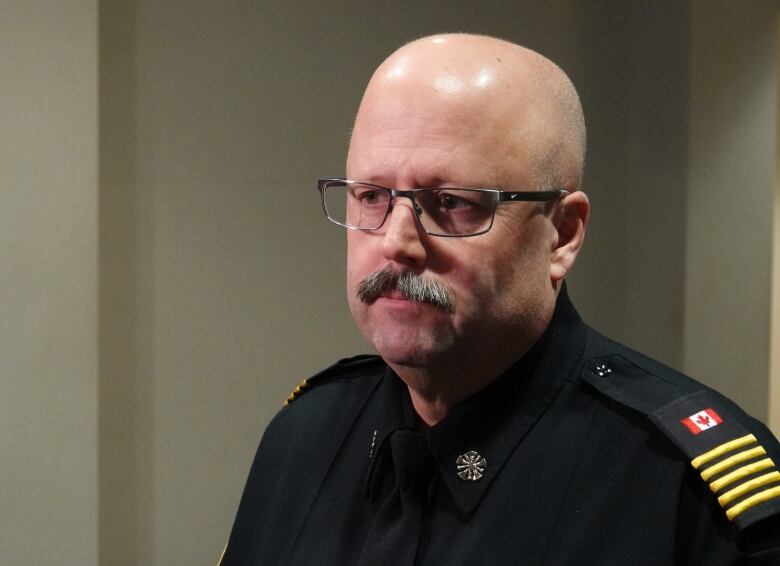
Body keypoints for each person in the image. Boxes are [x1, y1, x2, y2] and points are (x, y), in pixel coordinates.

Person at [220, 34, 780, 565]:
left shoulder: (682, 492)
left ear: (562, 234)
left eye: (452, 202)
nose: (396, 241)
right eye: (371, 197)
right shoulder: (303, 438)